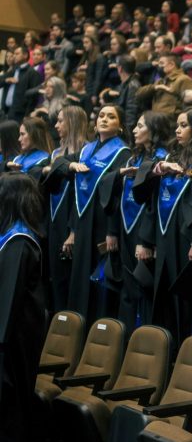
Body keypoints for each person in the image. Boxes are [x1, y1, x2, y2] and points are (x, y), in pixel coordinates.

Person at [135, 107, 192, 346]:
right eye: (177, 125)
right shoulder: (170, 157)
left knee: (185, 301)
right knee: (164, 298)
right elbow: (151, 200)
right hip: (164, 235)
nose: (178, 131)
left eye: (184, 125)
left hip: (186, 237)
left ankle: (182, 355)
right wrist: (146, 240)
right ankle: (164, 354)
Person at [51, 105, 130, 320]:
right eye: (101, 116)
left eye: (111, 117)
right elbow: (59, 163)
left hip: (104, 224)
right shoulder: (86, 150)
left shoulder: (123, 153)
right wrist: (72, 166)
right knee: (80, 279)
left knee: (98, 284)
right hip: (83, 224)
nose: (104, 119)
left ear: (120, 126)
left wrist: (112, 231)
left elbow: (117, 195)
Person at [102, 111, 170, 336]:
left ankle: (143, 343)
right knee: (127, 289)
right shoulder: (133, 158)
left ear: (153, 130)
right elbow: (117, 193)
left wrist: (146, 241)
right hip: (124, 228)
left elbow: (154, 203)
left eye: (140, 126)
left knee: (143, 290)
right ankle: (123, 342)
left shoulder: (162, 159)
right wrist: (112, 230)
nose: (134, 131)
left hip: (143, 233)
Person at [0, 173, 45, 442]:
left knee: (12, 412)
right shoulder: (11, 237)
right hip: (9, 337)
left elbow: (7, 301)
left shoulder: (19, 241)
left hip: (12, 342)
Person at [42, 105, 88, 311]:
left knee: (69, 280)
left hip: (71, 222)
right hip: (53, 220)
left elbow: (83, 198)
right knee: (54, 279)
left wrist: (73, 231)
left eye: (61, 121)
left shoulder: (86, 153)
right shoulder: (55, 154)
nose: (56, 125)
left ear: (73, 122)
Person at [0, 46, 42, 122]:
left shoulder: (33, 73)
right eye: (14, 54)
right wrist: (6, 80)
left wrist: (27, 115)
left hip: (20, 115)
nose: (14, 56)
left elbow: (33, 98)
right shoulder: (13, 70)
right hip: (5, 111)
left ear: (25, 55)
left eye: (17, 54)